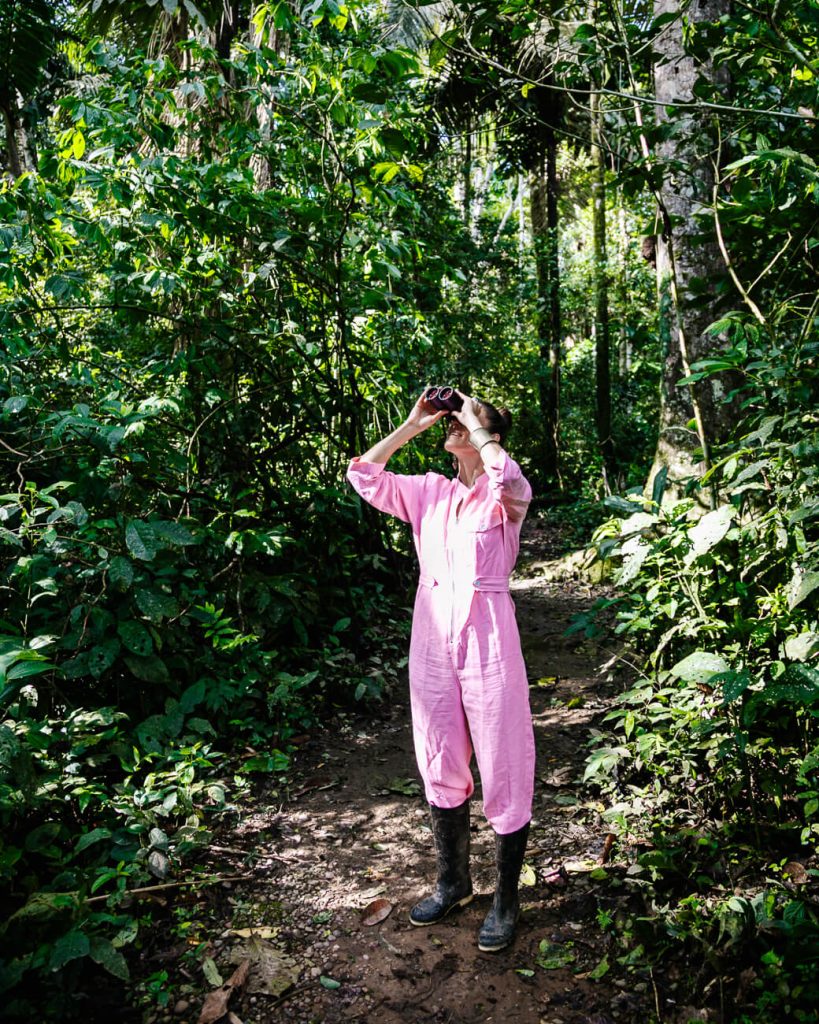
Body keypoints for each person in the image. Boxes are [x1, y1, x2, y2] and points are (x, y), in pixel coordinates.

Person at [346, 388, 536, 952]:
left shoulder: (505, 495)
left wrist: (479, 423)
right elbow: (364, 475)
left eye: (463, 422)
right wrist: (413, 422)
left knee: (505, 757)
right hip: (432, 633)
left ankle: (506, 899)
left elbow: (506, 480)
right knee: (438, 751)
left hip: (489, 632)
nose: (451, 425)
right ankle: (453, 881)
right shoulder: (429, 492)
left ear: (488, 434)